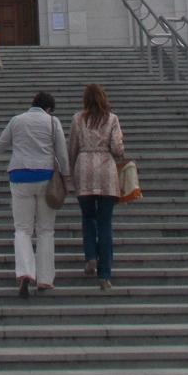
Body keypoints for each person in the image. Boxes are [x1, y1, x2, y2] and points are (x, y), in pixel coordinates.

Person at [0, 92, 68, 296]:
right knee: (45, 230)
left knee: (22, 229)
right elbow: (61, 152)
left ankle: (25, 272)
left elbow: (1, 142)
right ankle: (45, 279)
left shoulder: (17, 120)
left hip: (19, 176)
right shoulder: (52, 121)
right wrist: (66, 176)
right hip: (46, 177)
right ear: (48, 108)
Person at [68, 83, 127, 292]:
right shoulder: (112, 119)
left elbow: (72, 147)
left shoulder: (77, 119)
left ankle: (90, 256)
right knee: (105, 224)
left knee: (87, 218)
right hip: (106, 173)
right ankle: (104, 275)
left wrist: (68, 174)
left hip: (83, 169)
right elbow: (117, 149)